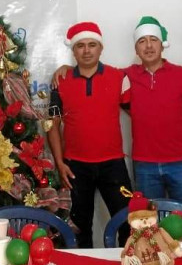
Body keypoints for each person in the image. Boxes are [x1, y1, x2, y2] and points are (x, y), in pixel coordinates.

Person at [53, 17, 182, 208]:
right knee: (146, 224)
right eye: (142, 41)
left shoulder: (181, 74)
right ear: (136, 50)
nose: (148, 46)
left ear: (162, 45)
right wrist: (66, 69)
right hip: (144, 165)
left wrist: (175, 121)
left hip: (179, 162)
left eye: (153, 40)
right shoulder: (124, 76)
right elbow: (91, 73)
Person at [47, 22, 132, 248]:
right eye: (80, 46)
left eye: (92, 45)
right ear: (73, 50)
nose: (86, 50)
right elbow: (51, 125)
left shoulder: (119, 77)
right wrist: (59, 162)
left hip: (113, 165)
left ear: (100, 48)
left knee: (128, 223)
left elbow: (139, 113)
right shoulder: (59, 81)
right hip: (75, 168)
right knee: (78, 227)